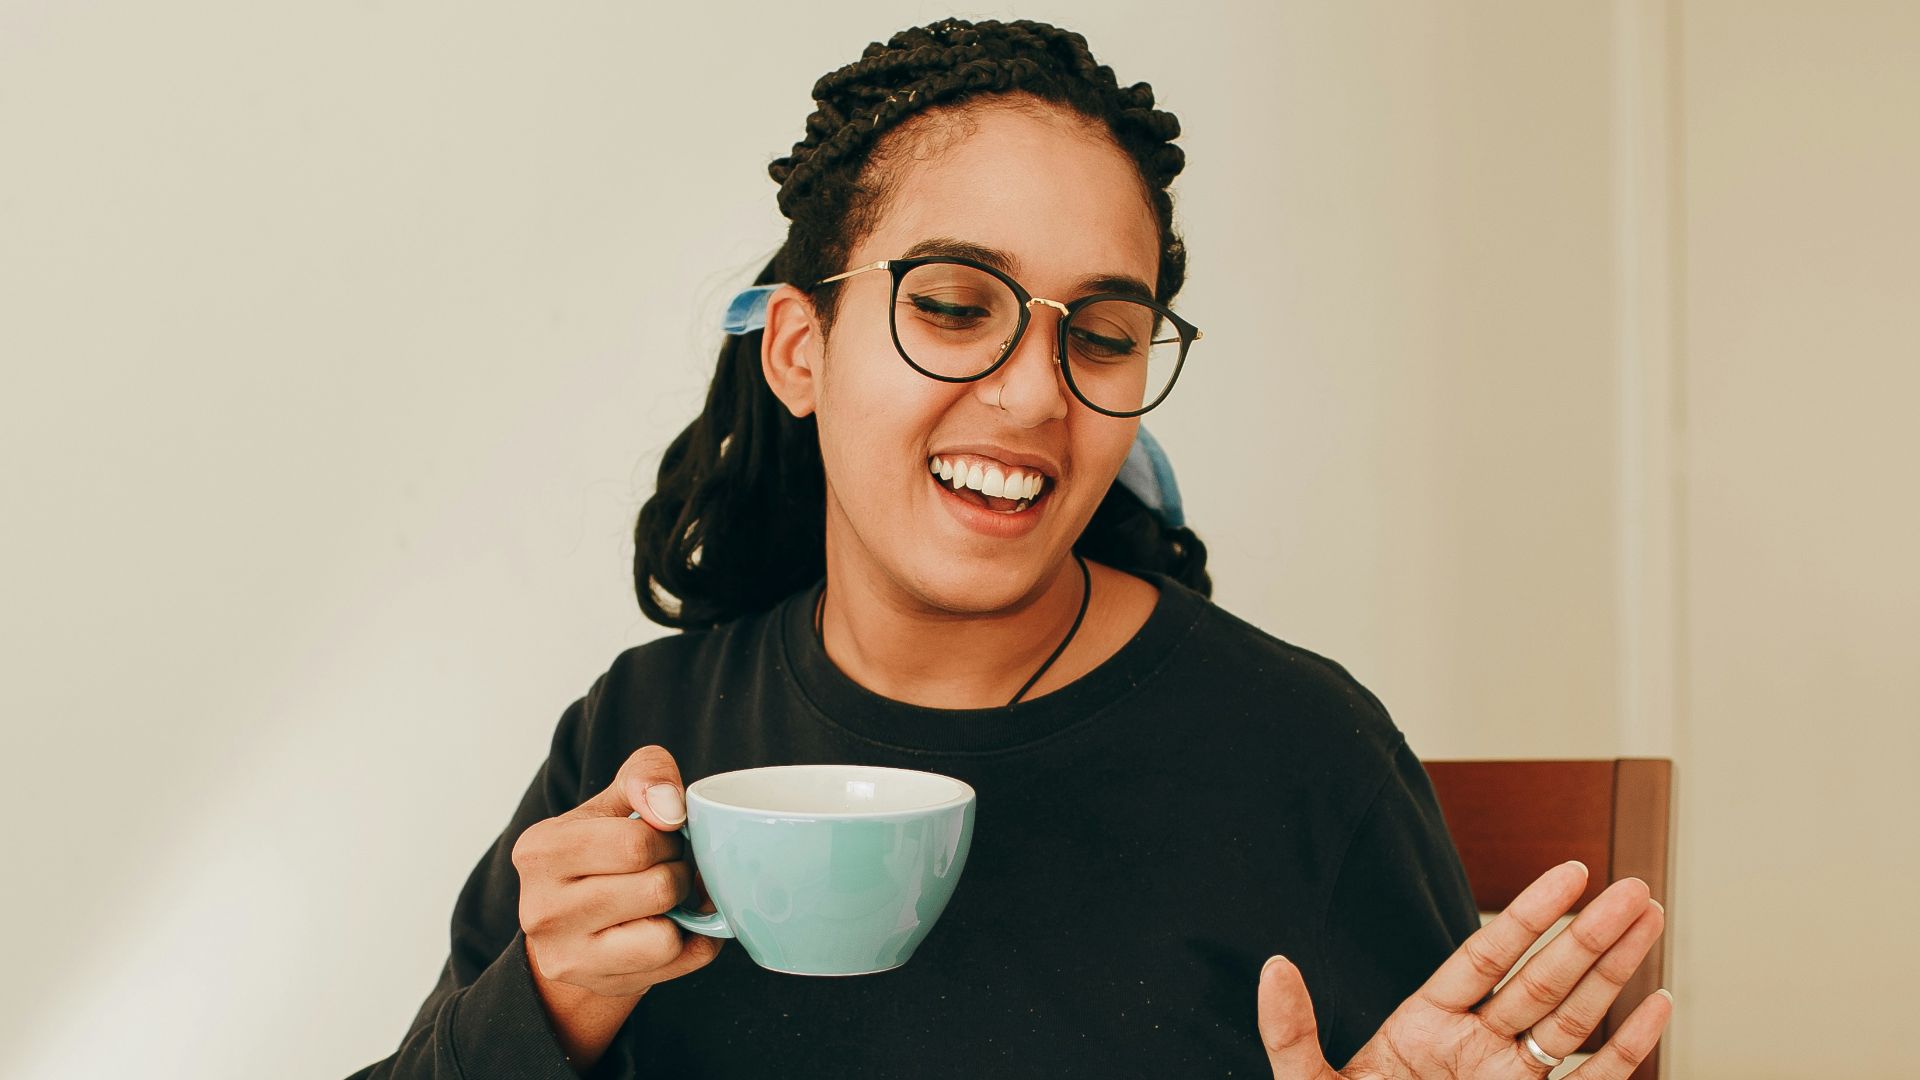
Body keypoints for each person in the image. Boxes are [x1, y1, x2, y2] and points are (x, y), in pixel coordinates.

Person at [349, 17, 1670, 1080]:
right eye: (951, 305)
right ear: (800, 352)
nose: (1036, 393)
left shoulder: (1303, 758)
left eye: (1101, 334)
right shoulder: (640, 738)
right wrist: (545, 1005)